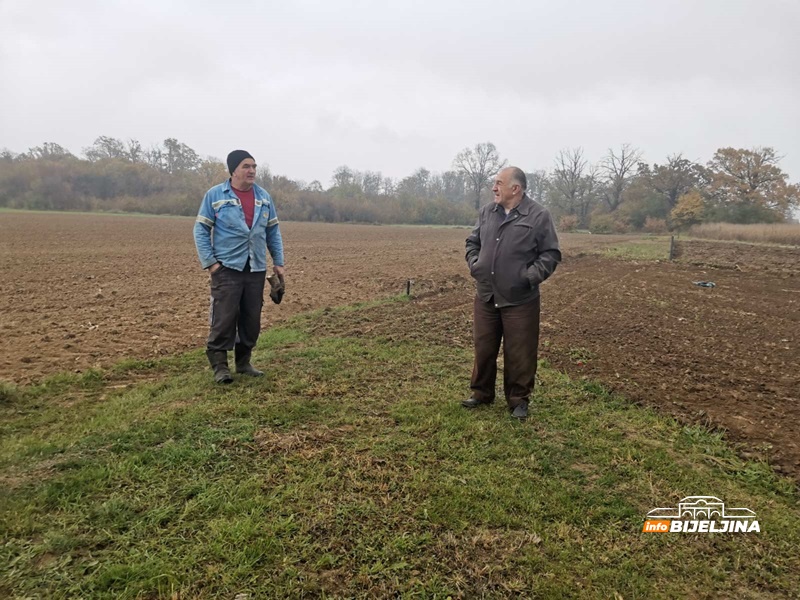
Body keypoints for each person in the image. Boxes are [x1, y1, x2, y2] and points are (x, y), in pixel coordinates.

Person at [463, 166, 561, 418]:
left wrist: (529, 277)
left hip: (520, 299)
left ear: (515, 189)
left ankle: (518, 400)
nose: (493, 188)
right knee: (483, 346)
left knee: (520, 351)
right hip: (486, 295)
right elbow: (473, 242)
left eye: (498, 183)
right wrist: (475, 264)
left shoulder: (538, 215)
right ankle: (481, 393)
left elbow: (550, 253)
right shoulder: (487, 212)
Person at [193, 150, 285, 383]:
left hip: (255, 268)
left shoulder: (263, 197)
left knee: (251, 319)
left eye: (254, 166)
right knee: (223, 319)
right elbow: (201, 230)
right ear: (233, 170)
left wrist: (278, 263)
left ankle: (243, 363)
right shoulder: (215, 195)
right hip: (227, 269)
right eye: (246, 166)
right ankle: (220, 367)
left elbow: (273, 231)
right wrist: (211, 264)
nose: (252, 170)